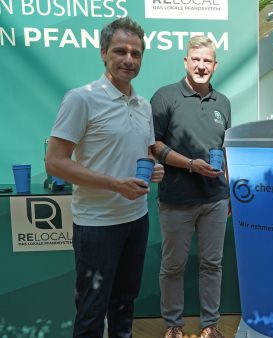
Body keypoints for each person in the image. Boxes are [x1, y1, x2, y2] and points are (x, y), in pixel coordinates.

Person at [45, 17, 164, 337]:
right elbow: (54, 163)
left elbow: (145, 152)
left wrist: (154, 167)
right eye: (120, 51)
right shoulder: (81, 99)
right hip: (96, 225)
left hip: (136, 220)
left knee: (125, 304)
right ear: (103, 53)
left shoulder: (142, 105)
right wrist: (114, 184)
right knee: (92, 311)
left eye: (136, 53)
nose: (128, 59)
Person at [150, 36, 231, 338]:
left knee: (212, 264)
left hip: (216, 199)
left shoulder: (223, 103)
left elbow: (226, 151)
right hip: (176, 200)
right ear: (186, 61)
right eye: (195, 59)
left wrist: (231, 195)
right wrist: (190, 164)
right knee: (173, 266)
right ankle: (174, 326)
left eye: (207, 60)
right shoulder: (164, 96)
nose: (201, 66)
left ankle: (210, 325)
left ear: (214, 65)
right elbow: (154, 145)